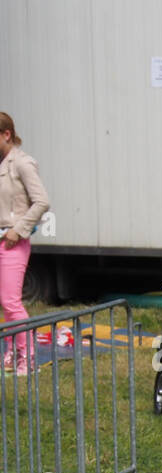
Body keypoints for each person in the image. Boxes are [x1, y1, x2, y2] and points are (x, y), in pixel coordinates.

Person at [0, 112, 49, 376]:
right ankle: (10, 351)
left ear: (6, 134)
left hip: (13, 241)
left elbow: (42, 201)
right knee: (4, 303)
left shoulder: (22, 163)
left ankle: (28, 358)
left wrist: (18, 231)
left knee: (11, 301)